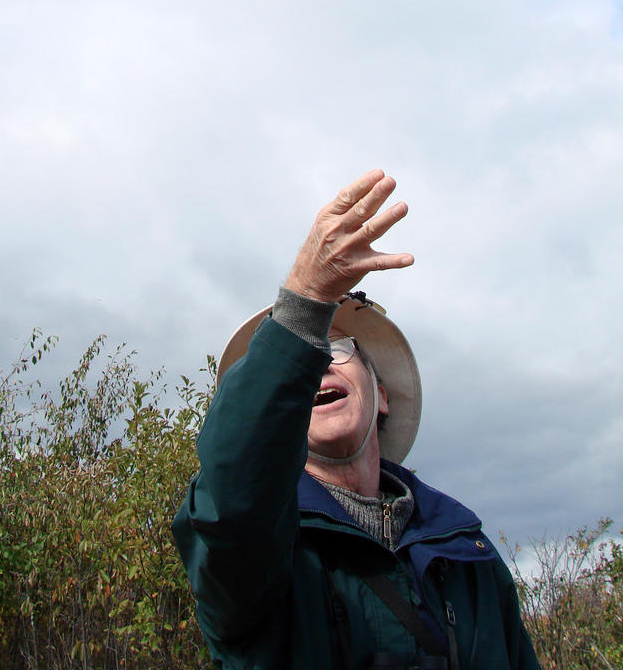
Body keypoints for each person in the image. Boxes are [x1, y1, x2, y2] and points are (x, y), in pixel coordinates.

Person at [172, 169, 540, 670]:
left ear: (381, 395)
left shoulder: (466, 555)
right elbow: (234, 488)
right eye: (307, 358)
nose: (320, 361)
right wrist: (306, 297)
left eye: (339, 349)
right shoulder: (258, 552)